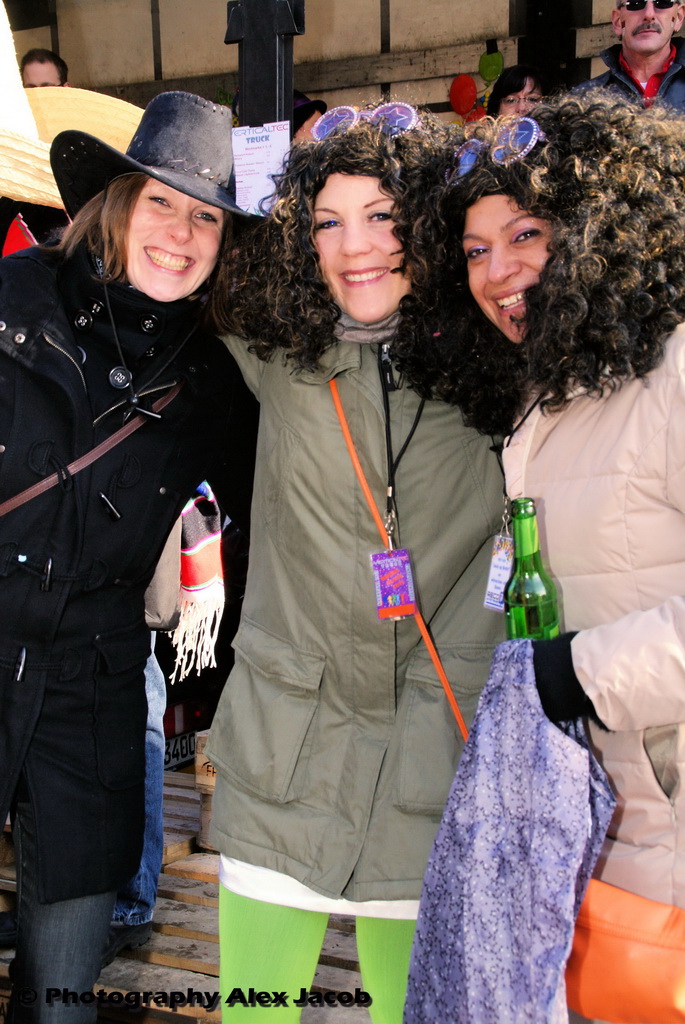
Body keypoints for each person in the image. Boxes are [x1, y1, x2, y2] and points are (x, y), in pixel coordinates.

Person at [204, 101, 504, 1024]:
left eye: (381, 215)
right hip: (286, 753)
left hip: (436, 759)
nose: (355, 247)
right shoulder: (276, 350)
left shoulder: (504, 365)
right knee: (254, 1011)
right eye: (327, 222)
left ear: (428, 225)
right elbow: (167, 270)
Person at [417, 91, 685, 1013]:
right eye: (474, 251)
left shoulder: (672, 371)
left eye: (525, 235)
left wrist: (578, 676)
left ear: (602, 227)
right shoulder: (548, 389)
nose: (497, 272)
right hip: (607, 829)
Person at [0, 89, 257, 1021]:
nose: (181, 234)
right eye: (162, 202)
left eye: (207, 217)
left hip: (95, 693)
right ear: (117, 203)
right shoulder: (13, 299)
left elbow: (270, 525)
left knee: (62, 999)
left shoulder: (219, 374)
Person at [579, 0, 685, 108]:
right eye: (635, 4)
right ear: (618, 21)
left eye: (662, 3)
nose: (649, 15)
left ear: (679, 17)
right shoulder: (582, 102)